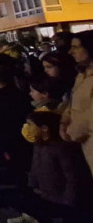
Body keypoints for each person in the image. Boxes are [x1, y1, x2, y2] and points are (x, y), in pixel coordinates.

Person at [11, 111, 93, 223]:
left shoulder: (62, 148)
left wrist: (69, 200)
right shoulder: (39, 145)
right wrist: (33, 185)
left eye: (30, 125)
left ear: (44, 128)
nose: (27, 128)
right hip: (45, 193)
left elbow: (73, 177)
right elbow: (35, 167)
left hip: (61, 198)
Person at [61, 31, 93, 176]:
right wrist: (64, 121)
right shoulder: (82, 74)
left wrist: (70, 131)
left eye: (76, 47)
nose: (70, 51)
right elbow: (74, 102)